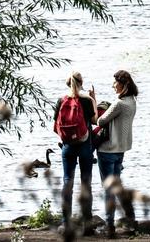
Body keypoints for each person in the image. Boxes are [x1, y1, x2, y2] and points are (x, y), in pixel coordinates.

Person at [93, 70, 139, 237]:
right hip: (121, 150)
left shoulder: (118, 104)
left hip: (107, 150)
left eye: (115, 83)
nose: (113, 85)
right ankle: (131, 218)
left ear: (123, 84)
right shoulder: (132, 102)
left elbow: (100, 121)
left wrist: (93, 102)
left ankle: (110, 226)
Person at [52, 71, 96, 233]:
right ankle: (87, 226)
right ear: (81, 83)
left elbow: (56, 126)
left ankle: (66, 223)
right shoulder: (86, 100)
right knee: (86, 183)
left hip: (67, 146)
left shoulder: (61, 100)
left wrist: (67, 139)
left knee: (67, 181)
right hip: (85, 145)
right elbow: (94, 121)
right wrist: (94, 98)